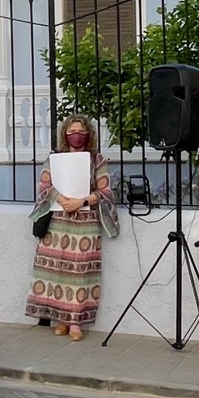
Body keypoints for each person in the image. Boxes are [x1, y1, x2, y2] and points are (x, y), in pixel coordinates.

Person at [25, 114, 116, 342]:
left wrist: (82, 201)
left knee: (80, 271)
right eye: (72, 131)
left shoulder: (97, 160)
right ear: (65, 134)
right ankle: (62, 319)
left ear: (88, 135)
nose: (76, 135)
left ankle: (75, 321)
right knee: (58, 270)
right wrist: (63, 199)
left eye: (81, 131)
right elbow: (45, 184)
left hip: (85, 222)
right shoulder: (56, 159)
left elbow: (105, 192)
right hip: (58, 219)